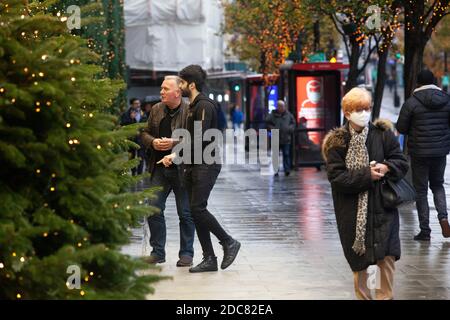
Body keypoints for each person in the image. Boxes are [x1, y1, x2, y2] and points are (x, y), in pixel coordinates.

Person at [322, 87, 409, 300]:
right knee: (361, 265)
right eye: (358, 109)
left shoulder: (383, 134)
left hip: (382, 210)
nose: (363, 113)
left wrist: (387, 167)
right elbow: (337, 178)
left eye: (366, 108)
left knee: (383, 262)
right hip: (352, 213)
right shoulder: (338, 142)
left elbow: (401, 161)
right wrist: (366, 175)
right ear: (347, 113)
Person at [161, 65, 241, 273]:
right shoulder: (193, 106)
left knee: (197, 208)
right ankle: (209, 258)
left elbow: (200, 139)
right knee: (195, 211)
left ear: (191, 84)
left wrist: (175, 154)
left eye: (182, 83)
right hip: (194, 164)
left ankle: (228, 242)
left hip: (207, 164)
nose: (179, 87)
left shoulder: (204, 105)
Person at [140, 76, 195, 267]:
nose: (161, 92)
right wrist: (153, 142)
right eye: (161, 89)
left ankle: (187, 253)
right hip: (159, 169)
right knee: (153, 208)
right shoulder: (156, 109)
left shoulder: (190, 110)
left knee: (185, 213)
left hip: (183, 170)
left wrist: (173, 143)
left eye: (165, 89)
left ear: (177, 92)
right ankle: (157, 252)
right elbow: (144, 133)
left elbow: (196, 139)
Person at [396, 69, 450, 240]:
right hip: (440, 151)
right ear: (434, 81)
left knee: (421, 191)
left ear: (418, 83)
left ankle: (425, 230)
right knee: (438, 185)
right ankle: (443, 218)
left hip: (419, 152)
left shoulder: (411, 103)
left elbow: (401, 128)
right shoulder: (446, 100)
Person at [266, 100, 296, 176]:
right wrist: (273, 129)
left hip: (286, 138)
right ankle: (276, 170)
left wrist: (290, 129)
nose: (281, 108)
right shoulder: (272, 115)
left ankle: (287, 170)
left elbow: (293, 123)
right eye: (280, 106)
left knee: (286, 154)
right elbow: (267, 123)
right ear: (277, 107)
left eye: (282, 106)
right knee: (276, 155)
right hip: (276, 138)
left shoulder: (288, 115)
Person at [120, 98, 147, 176]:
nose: (138, 105)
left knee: (141, 156)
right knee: (131, 156)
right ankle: (133, 172)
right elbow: (123, 125)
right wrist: (131, 119)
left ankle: (139, 173)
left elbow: (146, 124)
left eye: (139, 103)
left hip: (141, 138)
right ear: (131, 105)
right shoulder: (126, 114)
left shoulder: (143, 113)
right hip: (131, 139)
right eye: (136, 103)